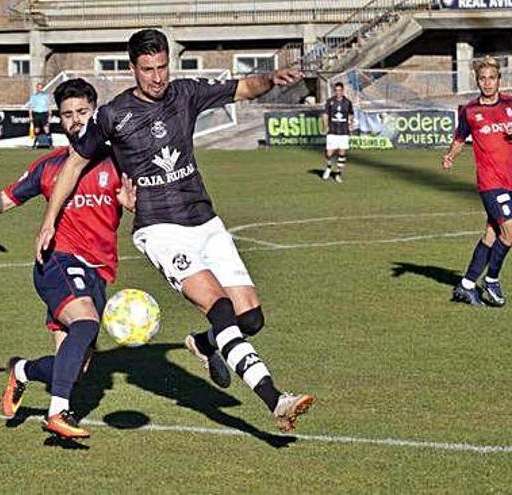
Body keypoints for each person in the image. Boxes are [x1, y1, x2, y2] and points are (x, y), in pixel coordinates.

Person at [33, 28, 314, 433]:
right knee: (217, 306)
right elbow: (75, 164)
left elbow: (242, 88)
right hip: (160, 229)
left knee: (249, 318)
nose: (157, 77)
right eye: (147, 69)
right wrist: (48, 222)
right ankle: (275, 399)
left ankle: (204, 344)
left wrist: (272, 78)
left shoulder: (186, 93)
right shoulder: (113, 115)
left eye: (162, 67)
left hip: (205, 221)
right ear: (133, 69)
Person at [0, 78, 135, 439]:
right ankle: (58, 413)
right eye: (67, 115)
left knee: (76, 368)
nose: (76, 120)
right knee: (85, 324)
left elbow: (145, 207)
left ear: (95, 113)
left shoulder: (117, 163)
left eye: (83, 112)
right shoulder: (48, 166)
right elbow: (4, 200)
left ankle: (22, 371)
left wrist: (133, 207)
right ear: (58, 120)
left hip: (98, 271)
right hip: (57, 263)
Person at [442, 55, 512, 307]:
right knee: (511, 231)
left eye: (491, 78)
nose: (487, 83)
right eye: (482, 79)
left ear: (499, 80)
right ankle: (491, 279)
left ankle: (466, 285)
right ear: (477, 81)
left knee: (492, 235)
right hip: (490, 182)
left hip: (511, 181)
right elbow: (460, 138)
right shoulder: (470, 111)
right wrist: (450, 155)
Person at [321, 81, 354, 183]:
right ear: (334, 91)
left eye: (340, 90)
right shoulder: (330, 101)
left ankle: (338, 174)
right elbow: (325, 115)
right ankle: (329, 167)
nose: (338, 92)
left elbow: (351, 114)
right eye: (336, 90)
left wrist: (350, 123)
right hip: (332, 130)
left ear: (343, 91)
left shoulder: (348, 102)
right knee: (329, 152)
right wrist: (326, 126)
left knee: (342, 152)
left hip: (343, 131)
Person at [27, 82, 51, 149]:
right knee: (37, 129)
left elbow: (49, 106)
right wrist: (30, 116)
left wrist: (49, 115)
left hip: (44, 113)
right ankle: (34, 145)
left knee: (46, 129)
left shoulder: (45, 96)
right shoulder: (33, 97)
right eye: (38, 88)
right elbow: (31, 107)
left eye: (41, 88)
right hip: (36, 114)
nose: (39, 89)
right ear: (36, 88)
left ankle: (50, 144)